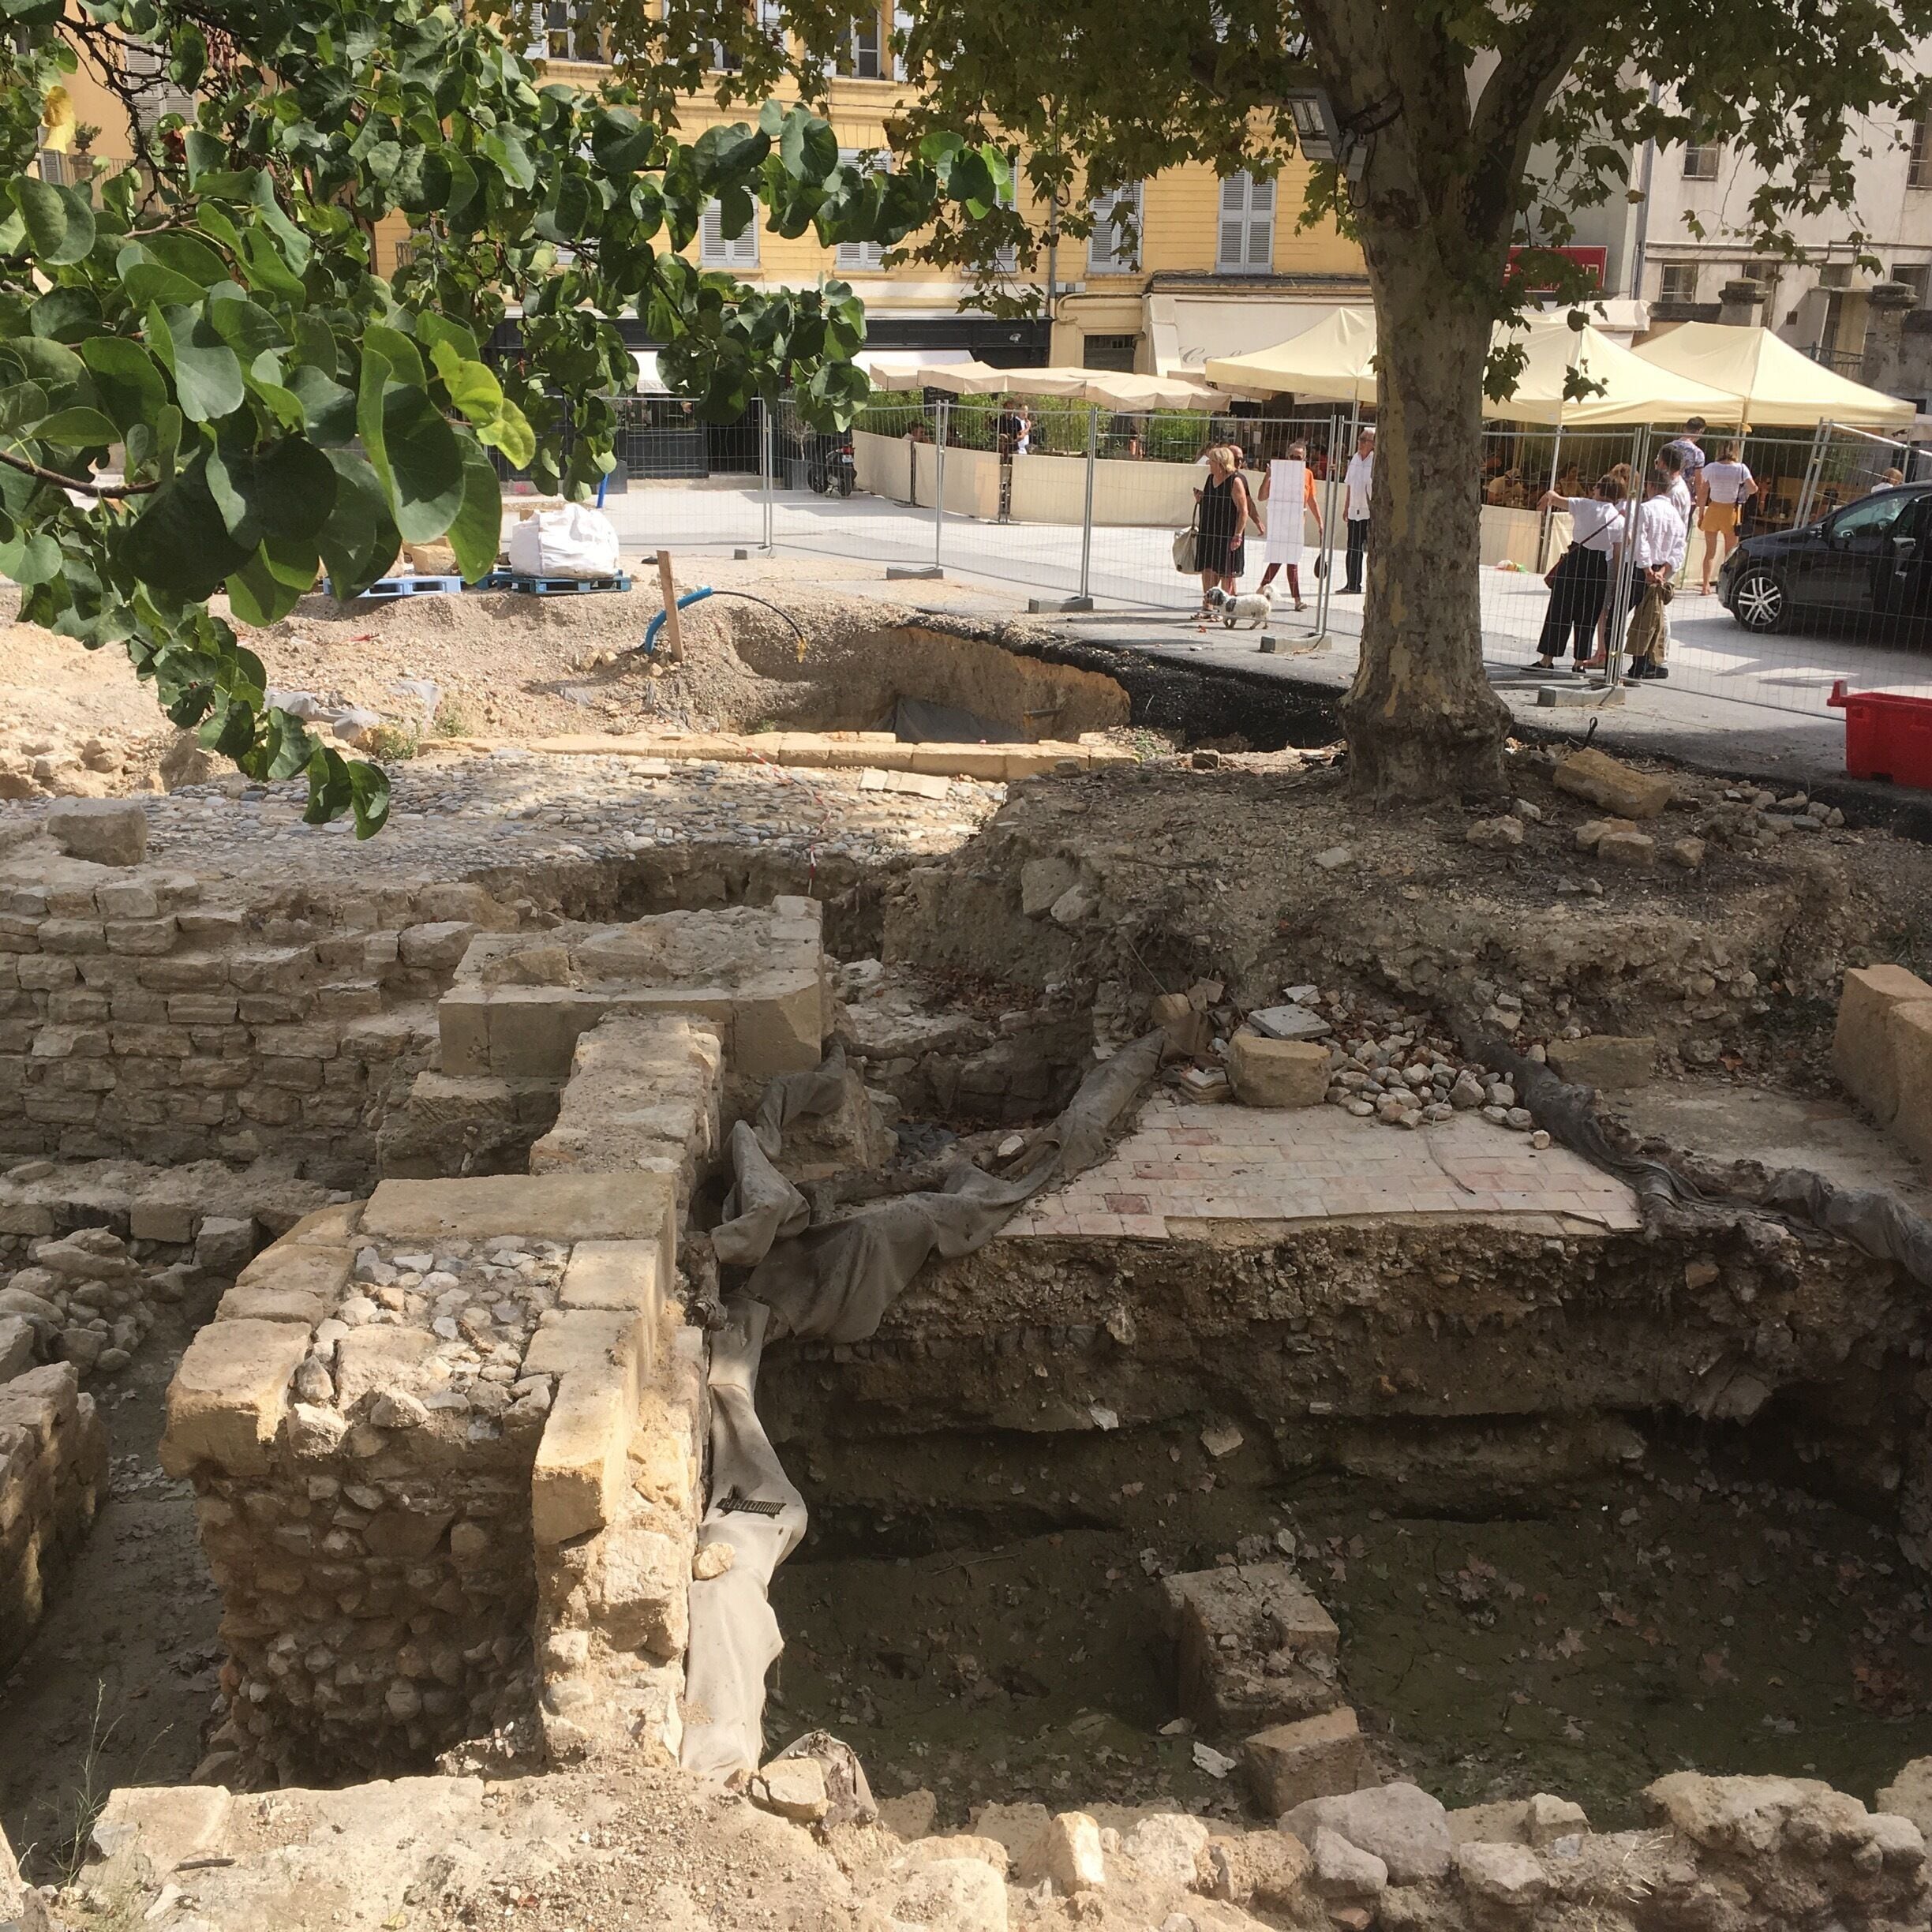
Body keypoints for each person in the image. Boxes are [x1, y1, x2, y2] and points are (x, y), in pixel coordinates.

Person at [1533, 474, 1623, 670]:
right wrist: (1615, 580)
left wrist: (1547, 495)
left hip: (1575, 558)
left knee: (1560, 609)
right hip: (1598, 565)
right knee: (1588, 615)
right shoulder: (1618, 518)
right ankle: (1579, 662)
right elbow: (1617, 553)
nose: (1593, 489)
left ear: (1600, 489)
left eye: (1596, 486)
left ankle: (1547, 659)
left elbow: (1554, 498)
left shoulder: (1584, 505)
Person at [1623, 470, 1687, 680]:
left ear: (1650, 486)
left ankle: (1612, 662)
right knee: (1648, 619)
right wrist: (1662, 571)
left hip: (1639, 568)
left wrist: (1646, 569)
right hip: (1660, 570)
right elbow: (1679, 549)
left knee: (1618, 614)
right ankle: (1639, 667)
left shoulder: (1645, 509)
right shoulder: (1676, 516)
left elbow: (1640, 541)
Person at [1256, 439, 1324, 610]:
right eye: (1292, 457)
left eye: (1298, 458)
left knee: (1287, 560)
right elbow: (1262, 496)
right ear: (1287, 457)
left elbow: (1311, 500)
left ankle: (1261, 591)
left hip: (1296, 525)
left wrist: (1320, 523)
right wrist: (1268, 476)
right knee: (1282, 559)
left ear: (1304, 460)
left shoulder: (1307, 474)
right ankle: (1295, 599)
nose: (1295, 461)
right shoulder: (1279, 472)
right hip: (1280, 522)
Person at [1193, 444, 1252, 614]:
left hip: (1227, 533)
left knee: (1226, 572)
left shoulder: (1235, 481)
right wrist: (1201, 499)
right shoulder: (1210, 479)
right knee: (1207, 568)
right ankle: (1207, 606)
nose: (1209, 464)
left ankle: (1225, 610)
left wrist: (1238, 535)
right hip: (1209, 530)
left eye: (1211, 461)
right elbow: (1212, 501)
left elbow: (1243, 511)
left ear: (1220, 463)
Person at [1695, 440, 1757, 593]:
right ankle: (1726, 585)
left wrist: (1701, 513)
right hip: (1731, 511)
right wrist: (1743, 492)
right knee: (1729, 553)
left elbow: (1703, 492)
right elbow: (1753, 488)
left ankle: (1705, 585)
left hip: (1713, 509)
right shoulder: (1741, 469)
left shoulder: (1710, 468)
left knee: (1710, 552)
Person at [1341, 426, 1375, 593]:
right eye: (1360, 439)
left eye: (1364, 440)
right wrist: (1346, 506)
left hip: (1370, 514)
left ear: (1373, 444)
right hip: (1355, 511)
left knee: (1374, 551)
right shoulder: (1355, 458)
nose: (1360, 443)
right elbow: (1349, 484)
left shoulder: (1376, 460)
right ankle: (1352, 584)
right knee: (1353, 549)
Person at [1660, 418, 1708, 502]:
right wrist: (1700, 501)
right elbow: (1699, 481)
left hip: (1665, 491)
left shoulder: (1666, 447)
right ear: (1699, 432)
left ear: (1685, 429)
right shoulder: (1698, 453)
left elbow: (1658, 468)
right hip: (1686, 495)